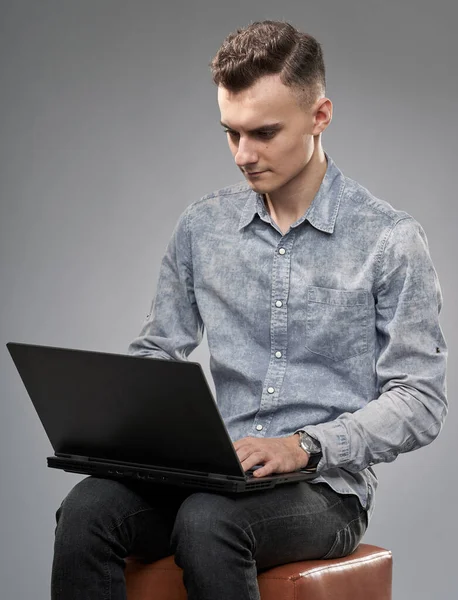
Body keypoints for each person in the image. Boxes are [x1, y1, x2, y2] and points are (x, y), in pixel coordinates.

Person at [51, 20, 447, 600]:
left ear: (320, 116)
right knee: (87, 509)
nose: (243, 154)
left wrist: (304, 445)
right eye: (230, 133)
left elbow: (422, 399)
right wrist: (121, 422)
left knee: (209, 521)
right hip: (212, 473)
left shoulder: (389, 239)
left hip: (323, 489)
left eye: (263, 133)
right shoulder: (201, 227)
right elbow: (158, 350)